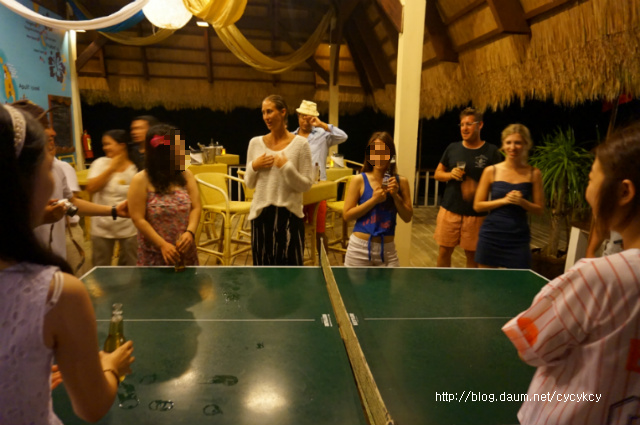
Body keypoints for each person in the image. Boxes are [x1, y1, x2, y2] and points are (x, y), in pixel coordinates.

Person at [0, 103, 134, 424]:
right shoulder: (58, 293)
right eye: (47, 168)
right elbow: (92, 407)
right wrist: (110, 366)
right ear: (24, 181)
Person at [502, 122, 640, 424]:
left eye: (590, 179)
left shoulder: (598, 277)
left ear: (624, 191)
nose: (587, 191)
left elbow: (531, 346)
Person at [10, 100, 129, 263]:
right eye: (44, 126)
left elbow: (72, 203)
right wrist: (40, 218)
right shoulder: (9, 176)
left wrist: (114, 210)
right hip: (21, 269)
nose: (53, 132)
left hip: (56, 262)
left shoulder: (58, 168)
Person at [244, 95, 314, 265]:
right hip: (261, 215)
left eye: (269, 111)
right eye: (263, 113)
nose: (266, 117)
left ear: (283, 112)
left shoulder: (301, 144)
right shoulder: (255, 143)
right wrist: (254, 165)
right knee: (262, 271)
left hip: (290, 216)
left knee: (291, 272)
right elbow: (249, 183)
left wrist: (286, 168)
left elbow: (306, 185)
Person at [433, 107, 502, 268]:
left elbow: (499, 183)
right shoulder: (453, 148)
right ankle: (441, 283)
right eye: (462, 124)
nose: (464, 128)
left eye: (469, 124)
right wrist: (450, 175)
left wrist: (478, 188)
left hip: (476, 214)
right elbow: (437, 174)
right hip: (449, 209)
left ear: (480, 125)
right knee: (444, 251)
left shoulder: (491, 151)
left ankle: (470, 284)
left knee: (472, 256)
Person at [128, 124, 200, 266]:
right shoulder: (140, 179)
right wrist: (162, 245)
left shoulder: (186, 175)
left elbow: (196, 207)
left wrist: (190, 232)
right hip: (154, 254)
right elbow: (138, 218)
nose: (182, 152)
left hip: (184, 252)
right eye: (177, 149)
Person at [473, 124, 544, 268]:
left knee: (518, 280)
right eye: (508, 142)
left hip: (518, 237)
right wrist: (504, 200)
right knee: (485, 280)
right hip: (491, 235)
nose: (513, 147)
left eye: (518, 143)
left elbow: (540, 209)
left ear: (526, 145)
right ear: (503, 145)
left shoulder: (534, 173)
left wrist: (522, 202)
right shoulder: (491, 171)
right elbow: (478, 206)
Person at [343, 132, 413, 266]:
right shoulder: (359, 180)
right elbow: (347, 215)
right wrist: (373, 200)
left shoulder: (401, 182)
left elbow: (407, 217)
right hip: (359, 249)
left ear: (391, 155)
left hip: (387, 251)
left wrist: (395, 196)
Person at [293, 100, 349, 254]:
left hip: (318, 188)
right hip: (297, 189)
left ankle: (322, 262)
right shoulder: (291, 137)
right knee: (297, 227)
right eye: (303, 117)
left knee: (320, 229)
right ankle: (297, 260)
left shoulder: (322, 135)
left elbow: (343, 136)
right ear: (298, 116)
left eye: (309, 118)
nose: (306, 121)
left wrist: (322, 125)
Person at [86, 130, 138, 266]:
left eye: (108, 144)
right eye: (104, 144)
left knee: (131, 268)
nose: (105, 148)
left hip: (129, 227)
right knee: (100, 268)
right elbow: (91, 188)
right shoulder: (100, 163)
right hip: (102, 226)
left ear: (122, 145)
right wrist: (111, 168)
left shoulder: (134, 167)